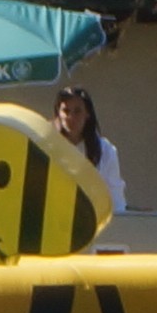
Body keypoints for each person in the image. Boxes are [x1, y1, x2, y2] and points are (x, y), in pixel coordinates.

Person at [52, 85, 127, 215]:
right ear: (58, 113)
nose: (71, 117)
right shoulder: (47, 145)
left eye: (77, 111)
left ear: (87, 114)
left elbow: (116, 198)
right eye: (66, 111)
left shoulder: (105, 151)